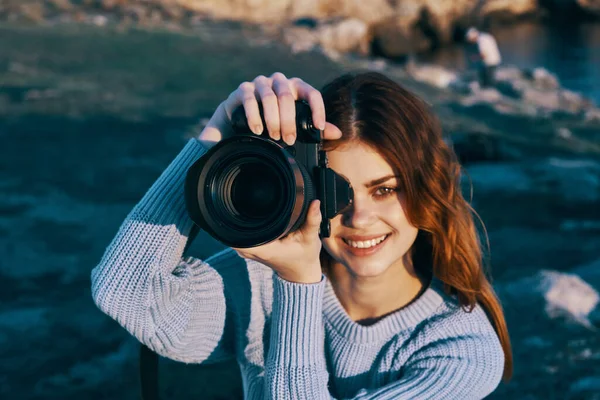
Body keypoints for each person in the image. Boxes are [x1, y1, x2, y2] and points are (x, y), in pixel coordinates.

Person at [91, 71, 513, 399]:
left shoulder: (460, 348)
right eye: (336, 191)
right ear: (305, 186)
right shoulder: (260, 283)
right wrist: (217, 133)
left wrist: (298, 284)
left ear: (427, 188)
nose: (360, 218)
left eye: (385, 189)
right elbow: (124, 291)